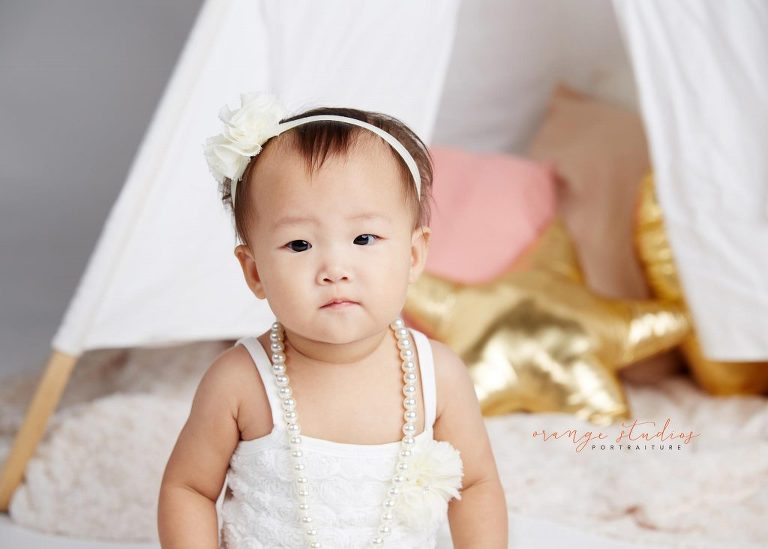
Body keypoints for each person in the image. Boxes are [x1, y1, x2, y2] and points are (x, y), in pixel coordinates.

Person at [157, 93, 508, 548]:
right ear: (255, 272)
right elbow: (188, 489)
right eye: (300, 245)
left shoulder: (436, 376)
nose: (335, 269)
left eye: (364, 238)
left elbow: (476, 485)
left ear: (413, 255)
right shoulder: (240, 381)